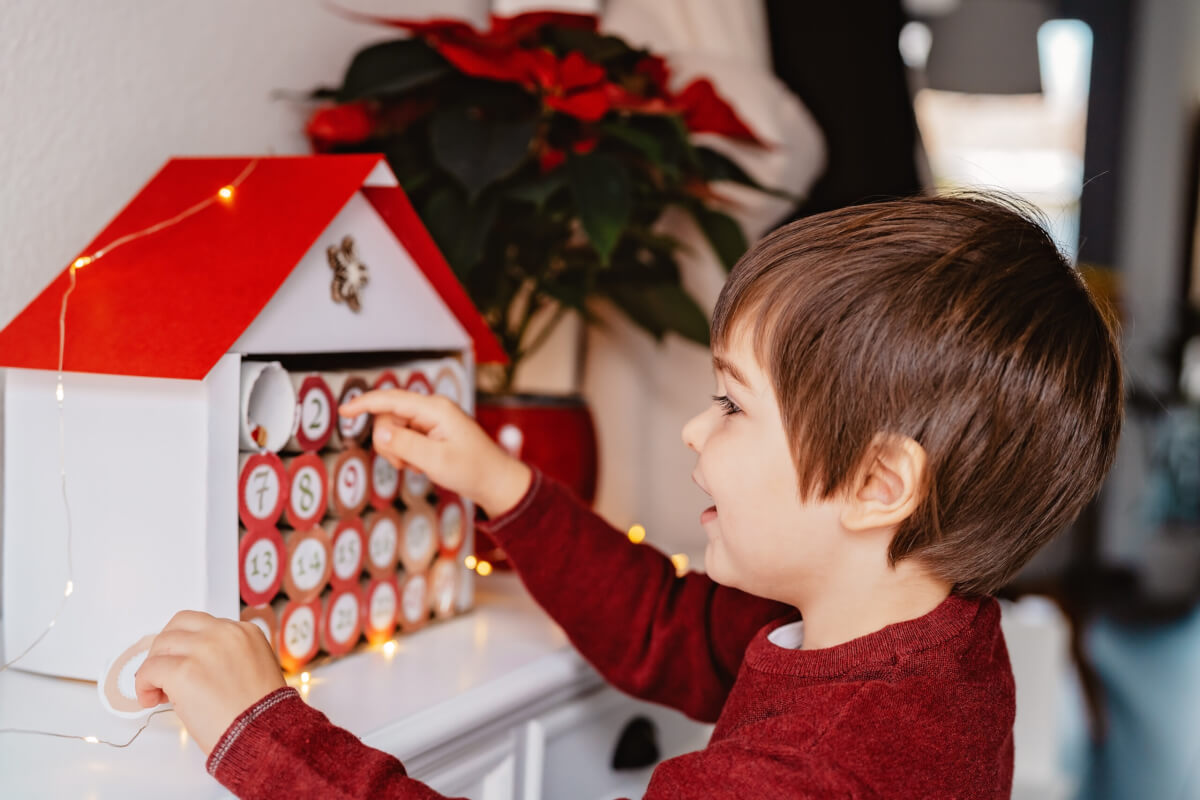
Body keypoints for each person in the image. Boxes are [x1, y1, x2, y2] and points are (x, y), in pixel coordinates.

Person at [134, 193, 1124, 798]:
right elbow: (672, 627)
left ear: (876, 483)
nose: (696, 429)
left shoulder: (810, 770)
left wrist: (262, 731)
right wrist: (506, 487)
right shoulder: (924, 640)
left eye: (732, 403)